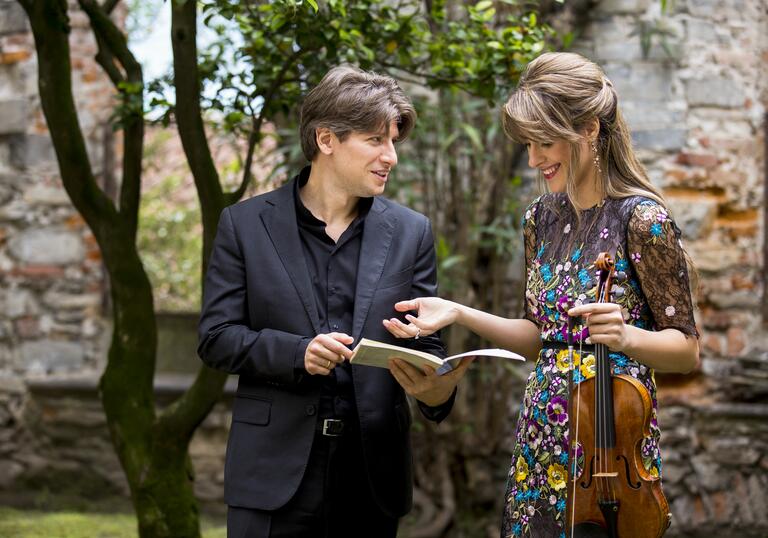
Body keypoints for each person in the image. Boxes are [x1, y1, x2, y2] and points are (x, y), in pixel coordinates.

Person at [383, 52, 700, 537]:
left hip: (610, 448)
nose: (534, 159)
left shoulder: (642, 220)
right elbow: (540, 338)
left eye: (545, 142)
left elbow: (686, 351)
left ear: (590, 129)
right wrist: (458, 312)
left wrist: (627, 337)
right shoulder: (540, 218)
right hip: (542, 437)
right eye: (528, 144)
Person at [197, 65, 471, 538]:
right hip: (271, 475)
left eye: (393, 143)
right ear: (326, 140)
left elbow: (428, 349)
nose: (391, 157)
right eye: (375, 141)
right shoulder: (243, 225)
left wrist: (436, 389)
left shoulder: (412, 233)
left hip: (372, 478)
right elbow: (216, 338)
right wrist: (296, 353)